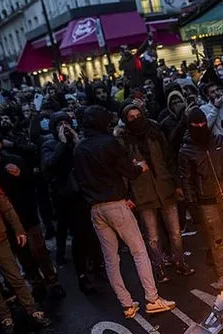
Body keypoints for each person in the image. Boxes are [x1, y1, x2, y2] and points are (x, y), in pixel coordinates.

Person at [73, 105, 176, 318]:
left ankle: (127, 304)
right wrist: (140, 167)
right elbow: (129, 172)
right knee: (139, 251)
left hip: (96, 209)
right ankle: (152, 298)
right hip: (115, 204)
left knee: (111, 258)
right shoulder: (108, 143)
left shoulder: (80, 148)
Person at [0, 130, 65, 298]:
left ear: (0, 143)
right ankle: (36, 283)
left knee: (39, 251)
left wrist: (21, 174)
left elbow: (35, 183)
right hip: (4, 222)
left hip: (27, 216)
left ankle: (53, 281)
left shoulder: (15, 161)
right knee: (22, 255)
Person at [0, 163, 50, 334]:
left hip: (1, 242)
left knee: (16, 278)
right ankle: (5, 317)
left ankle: (32, 310)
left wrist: (19, 229)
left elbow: (6, 207)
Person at [119, 103, 194, 282]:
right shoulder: (124, 140)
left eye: (138, 115)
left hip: (165, 186)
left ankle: (179, 261)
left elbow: (168, 158)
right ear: (126, 120)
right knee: (152, 235)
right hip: (143, 192)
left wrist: (176, 184)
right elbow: (124, 171)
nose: (136, 119)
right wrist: (128, 195)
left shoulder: (155, 131)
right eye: (131, 117)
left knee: (175, 231)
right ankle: (159, 266)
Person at [179, 108, 223, 289]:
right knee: (217, 240)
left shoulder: (219, 140)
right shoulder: (186, 151)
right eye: (197, 125)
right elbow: (186, 180)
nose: (201, 127)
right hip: (207, 202)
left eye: (203, 124)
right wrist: (192, 205)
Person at [41, 111, 99, 294]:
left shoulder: (76, 142)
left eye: (66, 122)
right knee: (78, 237)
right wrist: (62, 143)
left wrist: (76, 142)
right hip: (66, 199)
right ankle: (81, 274)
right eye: (59, 124)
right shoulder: (49, 145)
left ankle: (97, 265)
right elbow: (49, 165)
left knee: (93, 232)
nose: (64, 127)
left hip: (84, 194)